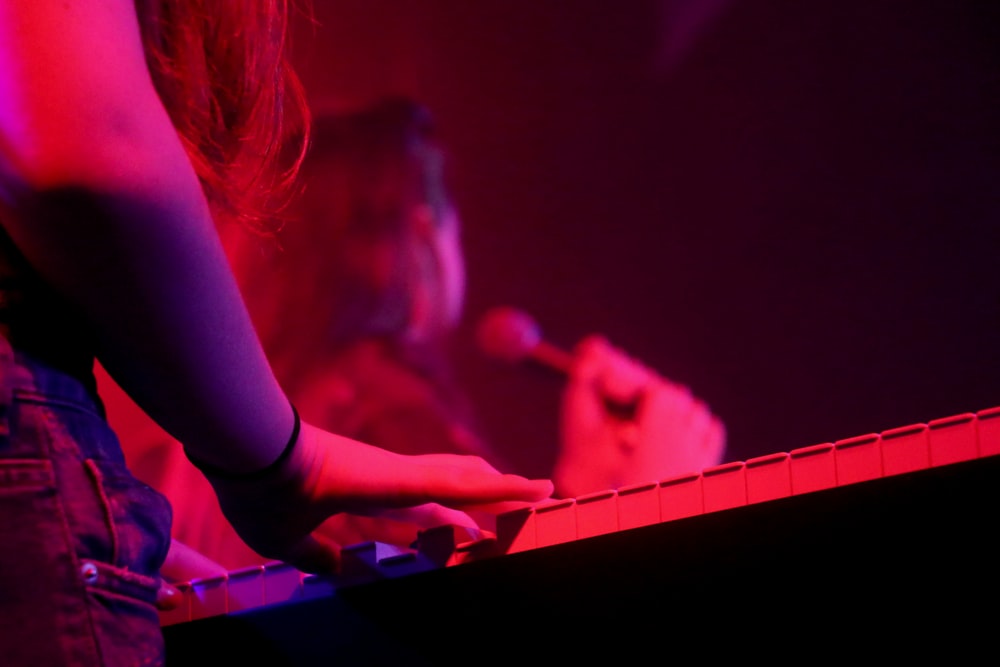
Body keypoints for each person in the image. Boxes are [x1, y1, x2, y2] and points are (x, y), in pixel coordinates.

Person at [0, 3, 553, 665]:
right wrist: (282, 462)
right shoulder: (388, 400)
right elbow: (85, 139)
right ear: (423, 231)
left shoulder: (181, 449)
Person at [104, 96, 726, 572]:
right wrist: (656, 497)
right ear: (423, 230)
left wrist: (580, 493)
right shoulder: (385, 406)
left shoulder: (210, 431)